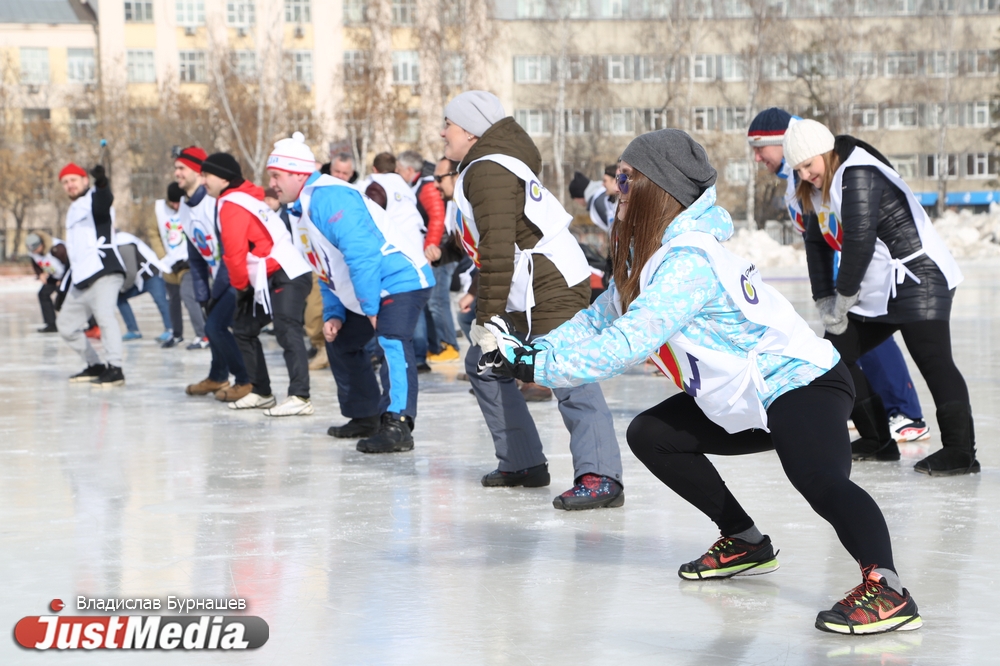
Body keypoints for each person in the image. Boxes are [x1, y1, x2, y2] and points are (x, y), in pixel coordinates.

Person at [481, 129, 921, 636]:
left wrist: (536, 368)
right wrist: (531, 352)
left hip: (802, 383)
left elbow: (627, 341)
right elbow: (597, 321)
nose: (615, 189)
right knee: (652, 434)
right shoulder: (651, 258)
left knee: (818, 480)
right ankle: (744, 539)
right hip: (746, 395)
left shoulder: (687, 262)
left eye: (626, 179)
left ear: (656, 190)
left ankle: (888, 588)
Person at [443, 90, 625, 509]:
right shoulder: (486, 164)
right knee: (482, 363)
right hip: (530, 284)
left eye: (448, 125)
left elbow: (498, 247)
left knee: (564, 366)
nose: (443, 133)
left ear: (469, 131)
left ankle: (601, 476)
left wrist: (488, 319)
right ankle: (523, 462)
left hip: (550, 281)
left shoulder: (487, 169)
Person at [784, 119, 975, 476]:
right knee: (835, 356)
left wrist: (844, 296)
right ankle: (878, 440)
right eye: (797, 168)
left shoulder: (857, 172)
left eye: (809, 164)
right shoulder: (816, 187)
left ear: (826, 153)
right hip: (879, 285)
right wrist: (826, 299)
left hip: (919, 276)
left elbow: (859, 238)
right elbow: (816, 244)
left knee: (932, 358)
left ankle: (961, 451)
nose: (806, 174)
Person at [747, 108, 930, 445]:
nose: (757, 157)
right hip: (839, 262)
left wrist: (843, 282)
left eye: (761, 147)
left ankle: (904, 412)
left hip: (867, 263)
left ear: (783, 140)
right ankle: (865, 415)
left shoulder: (822, 163)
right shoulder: (797, 176)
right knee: (842, 346)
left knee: (868, 340)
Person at [267, 132, 434, 452]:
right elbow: (325, 266)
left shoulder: (329, 197)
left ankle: (398, 424)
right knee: (341, 339)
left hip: (399, 278)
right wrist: (334, 312)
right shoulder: (299, 209)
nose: (272, 183)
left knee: (391, 339)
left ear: (298, 173)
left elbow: (362, 254)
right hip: (367, 285)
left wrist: (371, 309)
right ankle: (365, 414)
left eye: (277, 175)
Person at [201, 152, 315, 417]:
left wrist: (240, 288)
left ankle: (300, 396)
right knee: (243, 328)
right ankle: (262, 392)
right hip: (270, 274)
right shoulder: (242, 195)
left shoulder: (231, 204)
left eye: (207, 175)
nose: (203, 180)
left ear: (223, 177)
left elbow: (234, 253)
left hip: (287, 271)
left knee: (287, 329)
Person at [174, 147, 252, 402]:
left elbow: (232, 251)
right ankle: (218, 376)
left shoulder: (215, 203)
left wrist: (216, 293)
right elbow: (196, 257)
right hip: (219, 277)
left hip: (238, 273)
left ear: (200, 172)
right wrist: (203, 294)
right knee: (213, 323)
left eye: (182, 168)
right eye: (176, 168)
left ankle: (245, 380)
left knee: (215, 327)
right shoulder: (185, 209)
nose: (176, 174)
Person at [55, 162, 126, 386]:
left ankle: (115, 368)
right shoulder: (72, 210)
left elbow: (104, 205)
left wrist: (102, 182)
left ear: (85, 180)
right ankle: (95, 365)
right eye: (65, 182)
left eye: (73, 180)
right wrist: (63, 289)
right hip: (81, 279)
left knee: (105, 318)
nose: (69, 185)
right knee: (65, 326)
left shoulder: (94, 198)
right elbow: (75, 254)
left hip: (104, 271)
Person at [399, 150, 461, 364]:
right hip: (441, 252)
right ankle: (437, 345)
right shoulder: (423, 185)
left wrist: (431, 248)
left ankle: (449, 345)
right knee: (432, 301)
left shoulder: (425, 187)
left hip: (439, 250)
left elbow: (436, 218)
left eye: (399, 170)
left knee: (437, 300)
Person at [156, 182, 209, 350]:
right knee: (173, 299)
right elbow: (153, 232)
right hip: (169, 263)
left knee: (188, 295)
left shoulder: (192, 206)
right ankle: (177, 333)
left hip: (189, 263)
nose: (175, 206)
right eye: (172, 203)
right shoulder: (159, 209)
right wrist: (163, 257)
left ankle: (202, 334)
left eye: (177, 202)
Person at [114, 232, 172, 342]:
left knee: (161, 300)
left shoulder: (124, 243)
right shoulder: (115, 244)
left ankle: (170, 329)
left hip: (151, 275)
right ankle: (133, 330)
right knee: (120, 298)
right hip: (138, 280)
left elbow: (131, 273)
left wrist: (123, 288)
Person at [26, 231, 70, 333]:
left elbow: (70, 264)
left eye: (36, 249)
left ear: (42, 244)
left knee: (71, 298)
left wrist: (63, 280)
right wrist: (40, 273)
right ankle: (51, 324)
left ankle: (91, 324)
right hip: (54, 275)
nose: (34, 252)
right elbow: (35, 262)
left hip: (69, 275)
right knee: (43, 294)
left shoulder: (58, 249)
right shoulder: (33, 252)